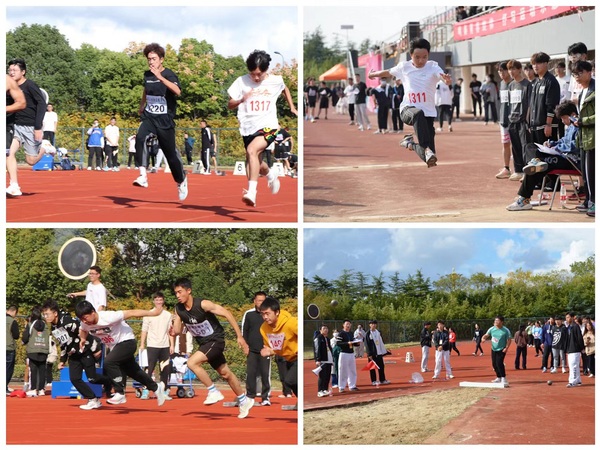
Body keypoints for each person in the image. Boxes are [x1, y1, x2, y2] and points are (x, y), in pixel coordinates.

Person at [171, 277, 253, 418]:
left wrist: (239, 336)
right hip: (205, 344)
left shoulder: (203, 304)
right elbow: (177, 330)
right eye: (176, 293)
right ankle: (244, 400)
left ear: (188, 291)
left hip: (216, 340)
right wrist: (173, 330)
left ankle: (213, 391)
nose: (177, 295)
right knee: (225, 373)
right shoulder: (179, 309)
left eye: (180, 292)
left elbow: (227, 314)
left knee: (192, 363)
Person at [227, 50, 297, 207]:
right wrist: (241, 100)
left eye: (260, 74)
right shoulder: (241, 82)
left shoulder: (275, 80)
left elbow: (285, 89)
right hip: (248, 128)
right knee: (252, 160)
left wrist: (292, 107)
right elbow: (230, 104)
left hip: (269, 127)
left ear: (266, 70)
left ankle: (251, 192)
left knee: (252, 151)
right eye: (253, 74)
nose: (256, 78)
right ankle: (271, 174)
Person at [369, 38, 452, 168]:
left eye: (424, 57)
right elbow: (388, 72)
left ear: (428, 55)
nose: (421, 60)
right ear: (411, 55)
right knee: (418, 114)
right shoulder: (404, 67)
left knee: (431, 158)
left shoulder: (433, 67)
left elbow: (441, 75)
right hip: (407, 110)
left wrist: (446, 80)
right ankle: (425, 148)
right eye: (417, 57)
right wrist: (373, 75)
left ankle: (410, 144)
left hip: (428, 114)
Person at [75, 300, 168, 406]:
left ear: (93, 312)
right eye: (81, 319)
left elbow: (131, 312)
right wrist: (83, 339)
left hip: (127, 341)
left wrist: (153, 313)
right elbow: (83, 329)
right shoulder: (85, 323)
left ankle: (119, 392)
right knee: (134, 372)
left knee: (109, 362)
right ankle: (157, 388)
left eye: (85, 318)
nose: (84, 321)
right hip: (116, 347)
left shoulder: (108, 316)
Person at [132, 43, 188, 201]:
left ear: (161, 60)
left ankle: (181, 180)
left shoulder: (169, 74)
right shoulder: (147, 75)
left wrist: (160, 78)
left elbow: (178, 91)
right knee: (140, 137)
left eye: (154, 59)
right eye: (149, 59)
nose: (151, 62)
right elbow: (146, 90)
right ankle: (143, 176)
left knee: (170, 155)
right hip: (150, 116)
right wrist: (142, 105)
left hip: (165, 120)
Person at [506, 101, 581, 211]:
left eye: (564, 118)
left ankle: (523, 199)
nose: (562, 121)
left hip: (570, 161)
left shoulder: (579, 127)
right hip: (559, 157)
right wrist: (551, 144)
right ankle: (535, 162)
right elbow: (563, 141)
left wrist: (557, 148)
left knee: (539, 167)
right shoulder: (569, 127)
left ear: (573, 115)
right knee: (530, 147)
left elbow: (575, 146)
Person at [41, 299, 109, 410]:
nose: (45, 317)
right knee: (75, 379)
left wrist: (95, 348)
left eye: (47, 314)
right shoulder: (54, 328)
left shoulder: (67, 321)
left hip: (85, 351)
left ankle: (111, 381)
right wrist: (62, 360)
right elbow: (63, 343)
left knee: (92, 378)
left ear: (55, 313)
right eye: (44, 314)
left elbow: (85, 331)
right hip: (73, 355)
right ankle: (93, 400)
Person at [6, 58, 48, 196]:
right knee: (8, 153)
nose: (11, 72)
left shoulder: (30, 85)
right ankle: (14, 185)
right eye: (10, 70)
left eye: (15, 70)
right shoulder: (9, 87)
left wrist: (38, 127)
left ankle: (45, 148)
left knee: (30, 161)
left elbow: (42, 104)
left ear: (23, 72)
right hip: (14, 125)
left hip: (30, 126)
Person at [258, 297, 298, 409]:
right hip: (287, 358)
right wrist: (269, 351)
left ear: (277, 312)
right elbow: (273, 347)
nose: (265, 317)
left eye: (267, 313)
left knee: (290, 380)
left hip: (297, 356)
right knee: (288, 382)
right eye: (262, 314)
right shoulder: (263, 329)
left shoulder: (291, 323)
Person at [139, 292, 174, 400]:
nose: (159, 302)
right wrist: (142, 344)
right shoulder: (148, 314)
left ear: (163, 301)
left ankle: (163, 392)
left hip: (165, 346)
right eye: (157, 300)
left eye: (160, 300)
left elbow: (170, 332)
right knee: (149, 370)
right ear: (153, 301)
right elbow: (144, 330)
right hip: (152, 345)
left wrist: (172, 345)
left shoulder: (168, 315)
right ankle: (145, 390)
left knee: (165, 370)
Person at [572, 60, 595, 217]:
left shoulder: (595, 90)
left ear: (589, 72)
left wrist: (582, 121)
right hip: (583, 137)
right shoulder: (582, 92)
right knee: (585, 173)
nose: (577, 77)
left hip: (593, 137)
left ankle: (594, 202)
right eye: (575, 74)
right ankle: (588, 200)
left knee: (592, 172)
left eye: (580, 73)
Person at [241, 291, 271, 406]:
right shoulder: (249, 314)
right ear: (255, 301)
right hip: (252, 349)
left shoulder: (269, 315)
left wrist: (271, 347)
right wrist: (245, 346)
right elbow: (245, 330)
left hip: (265, 349)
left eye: (263, 301)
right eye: (259, 300)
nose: (261, 303)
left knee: (265, 374)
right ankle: (250, 396)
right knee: (251, 373)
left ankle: (265, 398)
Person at [505, 59, 531, 182]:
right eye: (509, 69)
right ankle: (518, 170)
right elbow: (510, 103)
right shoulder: (511, 85)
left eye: (513, 69)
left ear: (520, 69)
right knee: (515, 147)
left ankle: (527, 171)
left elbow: (530, 104)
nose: (511, 71)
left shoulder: (527, 84)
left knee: (525, 146)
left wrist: (527, 120)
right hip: (512, 120)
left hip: (523, 120)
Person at [22, 307, 50, 397]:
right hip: (43, 349)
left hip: (33, 349)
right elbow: (48, 336)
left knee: (33, 370)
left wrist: (23, 342)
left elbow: (25, 337)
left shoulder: (30, 324)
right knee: (42, 370)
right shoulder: (45, 325)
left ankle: (33, 389)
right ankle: (41, 389)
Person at [482, 315, 511, 386]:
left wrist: (506, 348)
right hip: (493, 349)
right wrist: (483, 338)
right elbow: (486, 335)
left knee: (499, 363)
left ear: (501, 322)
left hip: (502, 349)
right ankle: (499, 377)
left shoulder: (505, 330)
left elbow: (509, 339)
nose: (495, 322)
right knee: (494, 364)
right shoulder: (492, 329)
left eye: (497, 321)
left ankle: (504, 378)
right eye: (495, 320)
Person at [495, 62, 513, 179]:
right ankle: (506, 168)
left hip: (514, 120)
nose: (502, 73)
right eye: (500, 71)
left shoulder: (514, 83)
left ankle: (519, 168)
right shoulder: (501, 84)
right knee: (505, 144)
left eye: (504, 70)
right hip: (503, 119)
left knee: (516, 145)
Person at [364, 320, 390, 385]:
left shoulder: (378, 332)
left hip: (379, 353)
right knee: (372, 367)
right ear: (370, 325)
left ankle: (382, 379)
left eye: (375, 324)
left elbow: (381, 342)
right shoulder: (368, 334)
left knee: (381, 366)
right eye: (372, 324)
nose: (374, 325)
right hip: (372, 353)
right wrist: (369, 354)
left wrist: (384, 351)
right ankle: (373, 380)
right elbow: (367, 344)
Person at [336, 319, 359, 392]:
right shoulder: (341, 333)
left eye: (349, 324)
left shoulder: (351, 333)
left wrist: (357, 343)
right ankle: (341, 387)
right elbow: (338, 343)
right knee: (343, 370)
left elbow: (353, 342)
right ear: (343, 325)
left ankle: (352, 385)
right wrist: (347, 343)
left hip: (351, 353)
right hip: (344, 353)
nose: (348, 325)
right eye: (347, 324)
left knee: (352, 370)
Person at [564, 312, 584, 387]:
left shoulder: (576, 326)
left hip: (575, 349)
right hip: (570, 349)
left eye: (568, 317)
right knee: (574, 365)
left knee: (573, 366)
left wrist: (581, 348)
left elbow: (579, 338)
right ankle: (578, 380)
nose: (567, 319)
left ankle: (572, 381)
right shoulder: (569, 327)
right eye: (566, 318)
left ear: (572, 317)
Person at [314, 324, 333, 397]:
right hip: (322, 360)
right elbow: (317, 349)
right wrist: (318, 359)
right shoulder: (318, 338)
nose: (326, 330)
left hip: (328, 359)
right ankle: (320, 391)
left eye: (326, 328)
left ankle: (325, 389)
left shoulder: (327, 339)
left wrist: (332, 359)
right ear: (320, 330)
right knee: (322, 376)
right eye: (324, 328)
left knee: (327, 375)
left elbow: (330, 348)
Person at [6, 305, 20, 395]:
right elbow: (16, 336)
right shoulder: (12, 321)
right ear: (14, 312)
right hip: (8, 347)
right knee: (8, 368)